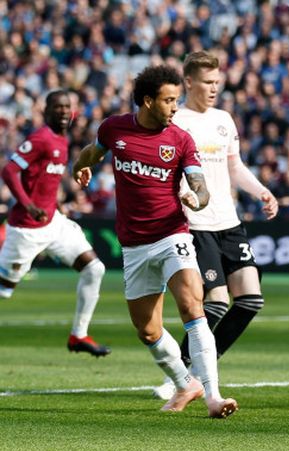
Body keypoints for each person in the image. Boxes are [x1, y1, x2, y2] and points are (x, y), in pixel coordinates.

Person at [71, 65, 237, 418]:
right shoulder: (114, 128)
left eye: (177, 99)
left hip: (172, 234)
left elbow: (200, 184)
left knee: (193, 306)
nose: (175, 107)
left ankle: (213, 397)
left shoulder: (180, 139)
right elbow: (94, 151)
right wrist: (79, 166)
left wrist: (198, 198)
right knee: (147, 331)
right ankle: (184, 384)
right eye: (169, 100)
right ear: (148, 101)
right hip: (133, 245)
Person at [152, 51, 279, 399]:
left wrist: (262, 191)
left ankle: (202, 364)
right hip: (196, 223)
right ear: (189, 82)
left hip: (230, 222)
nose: (213, 89)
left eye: (217, 83)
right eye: (208, 83)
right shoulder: (177, 122)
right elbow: (169, 169)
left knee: (251, 299)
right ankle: (179, 375)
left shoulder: (224, 119)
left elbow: (234, 167)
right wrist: (181, 194)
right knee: (217, 302)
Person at [0, 90, 110, 357]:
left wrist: (55, 205)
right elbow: (9, 171)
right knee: (4, 291)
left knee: (94, 269)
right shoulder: (40, 138)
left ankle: (79, 335)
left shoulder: (63, 139)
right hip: (26, 229)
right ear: (47, 110)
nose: (63, 111)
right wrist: (28, 205)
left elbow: (45, 181)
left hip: (54, 223)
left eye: (67, 107)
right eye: (58, 107)